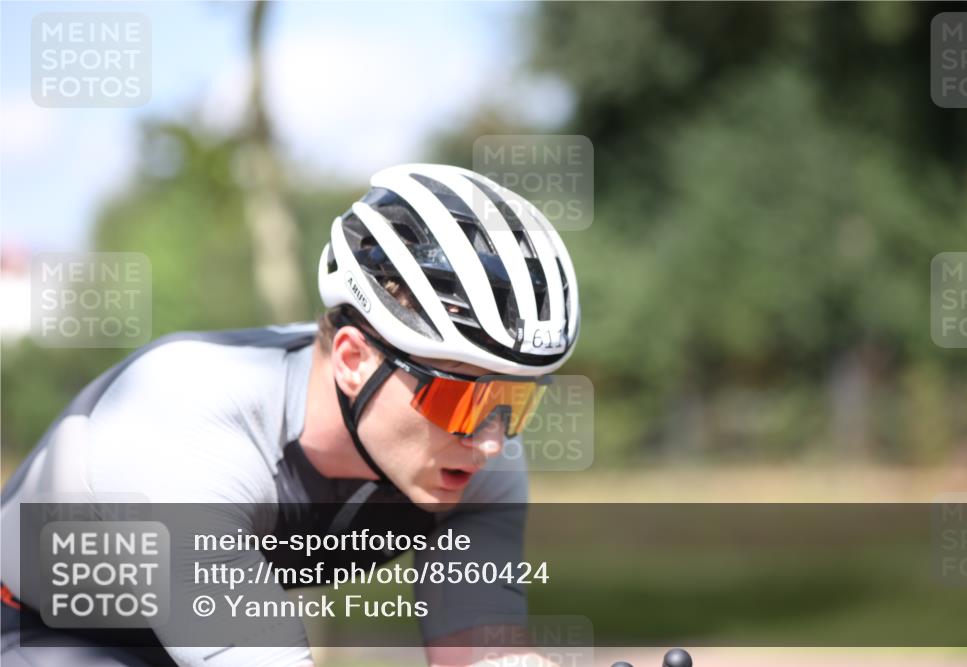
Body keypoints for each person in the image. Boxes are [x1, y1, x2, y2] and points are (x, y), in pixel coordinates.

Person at [0, 163, 581, 667]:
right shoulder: (185, 421)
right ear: (354, 359)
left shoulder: (478, 461)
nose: (488, 441)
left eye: (514, 401)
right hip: (43, 631)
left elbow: (478, 651)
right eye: (463, 400)